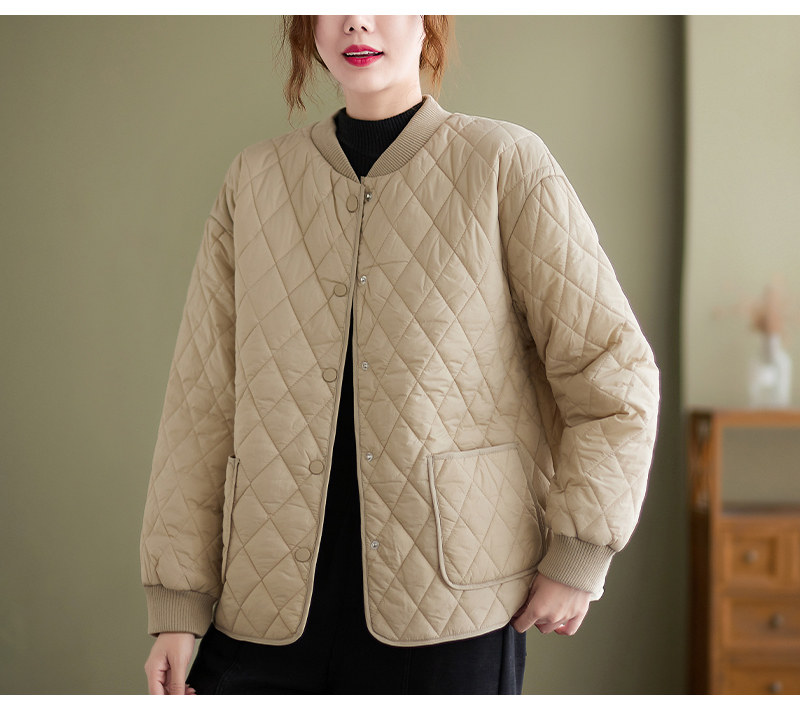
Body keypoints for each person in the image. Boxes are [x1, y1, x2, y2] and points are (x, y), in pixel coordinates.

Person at [140, 15, 660, 695]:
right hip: (264, 601)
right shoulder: (255, 179)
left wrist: (580, 551)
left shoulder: (504, 164)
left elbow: (611, 369)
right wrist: (178, 604)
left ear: (428, 18)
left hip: (451, 609)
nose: (356, 19)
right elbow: (201, 400)